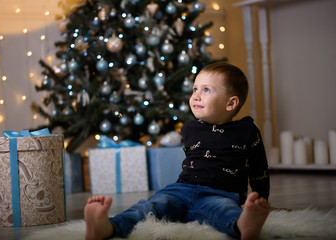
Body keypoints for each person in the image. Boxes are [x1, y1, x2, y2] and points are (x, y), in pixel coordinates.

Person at [84, 62, 270, 240]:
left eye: (206, 90)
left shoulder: (246, 131)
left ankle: (244, 225)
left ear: (230, 104)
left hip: (219, 194)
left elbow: (259, 168)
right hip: (180, 189)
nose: (196, 96)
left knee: (226, 212)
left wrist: (261, 200)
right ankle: (108, 227)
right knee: (149, 206)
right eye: (195, 89)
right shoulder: (190, 128)